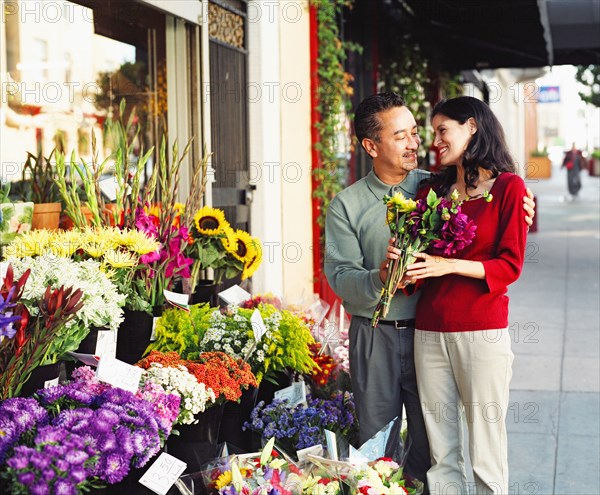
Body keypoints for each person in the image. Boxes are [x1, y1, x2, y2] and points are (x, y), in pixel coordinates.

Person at [324, 92, 535, 491]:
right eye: (401, 135)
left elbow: (493, 215)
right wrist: (381, 277)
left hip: (437, 327)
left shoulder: (434, 187)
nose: (417, 143)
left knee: (436, 446)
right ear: (372, 146)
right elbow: (340, 277)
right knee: (383, 441)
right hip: (382, 332)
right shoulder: (347, 205)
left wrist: (521, 205)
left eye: (418, 133)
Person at [397, 96, 527, 495]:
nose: (435, 140)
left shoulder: (508, 188)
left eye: (442, 130)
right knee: (442, 449)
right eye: (433, 132)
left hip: (481, 331)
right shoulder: (431, 189)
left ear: (471, 126)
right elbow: (417, 267)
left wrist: (447, 265)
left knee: (486, 447)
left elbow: (509, 266)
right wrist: (403, 264)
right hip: (430, 331)